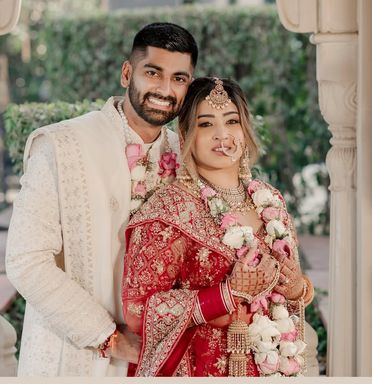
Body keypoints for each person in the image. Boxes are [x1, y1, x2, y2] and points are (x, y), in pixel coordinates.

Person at [5, 22, 198, 376]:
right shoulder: (60, 146)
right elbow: (25, 260)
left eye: (179, 79)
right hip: (76, 356)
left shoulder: (188, 160)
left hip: (160, 358)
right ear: (127, 73)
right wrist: (106, 335)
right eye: (153, 73)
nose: (165, 89)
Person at [122, 77, 314, 377]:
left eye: (232, 121)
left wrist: (296, 289)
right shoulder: (170, 209)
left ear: (245, 128)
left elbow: (290, 295)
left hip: (273, 367)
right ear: (185, 134)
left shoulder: (271, 202)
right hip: (199, 369)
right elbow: (137, 310)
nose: (222, 135)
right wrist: (225, 295)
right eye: (206, 124)